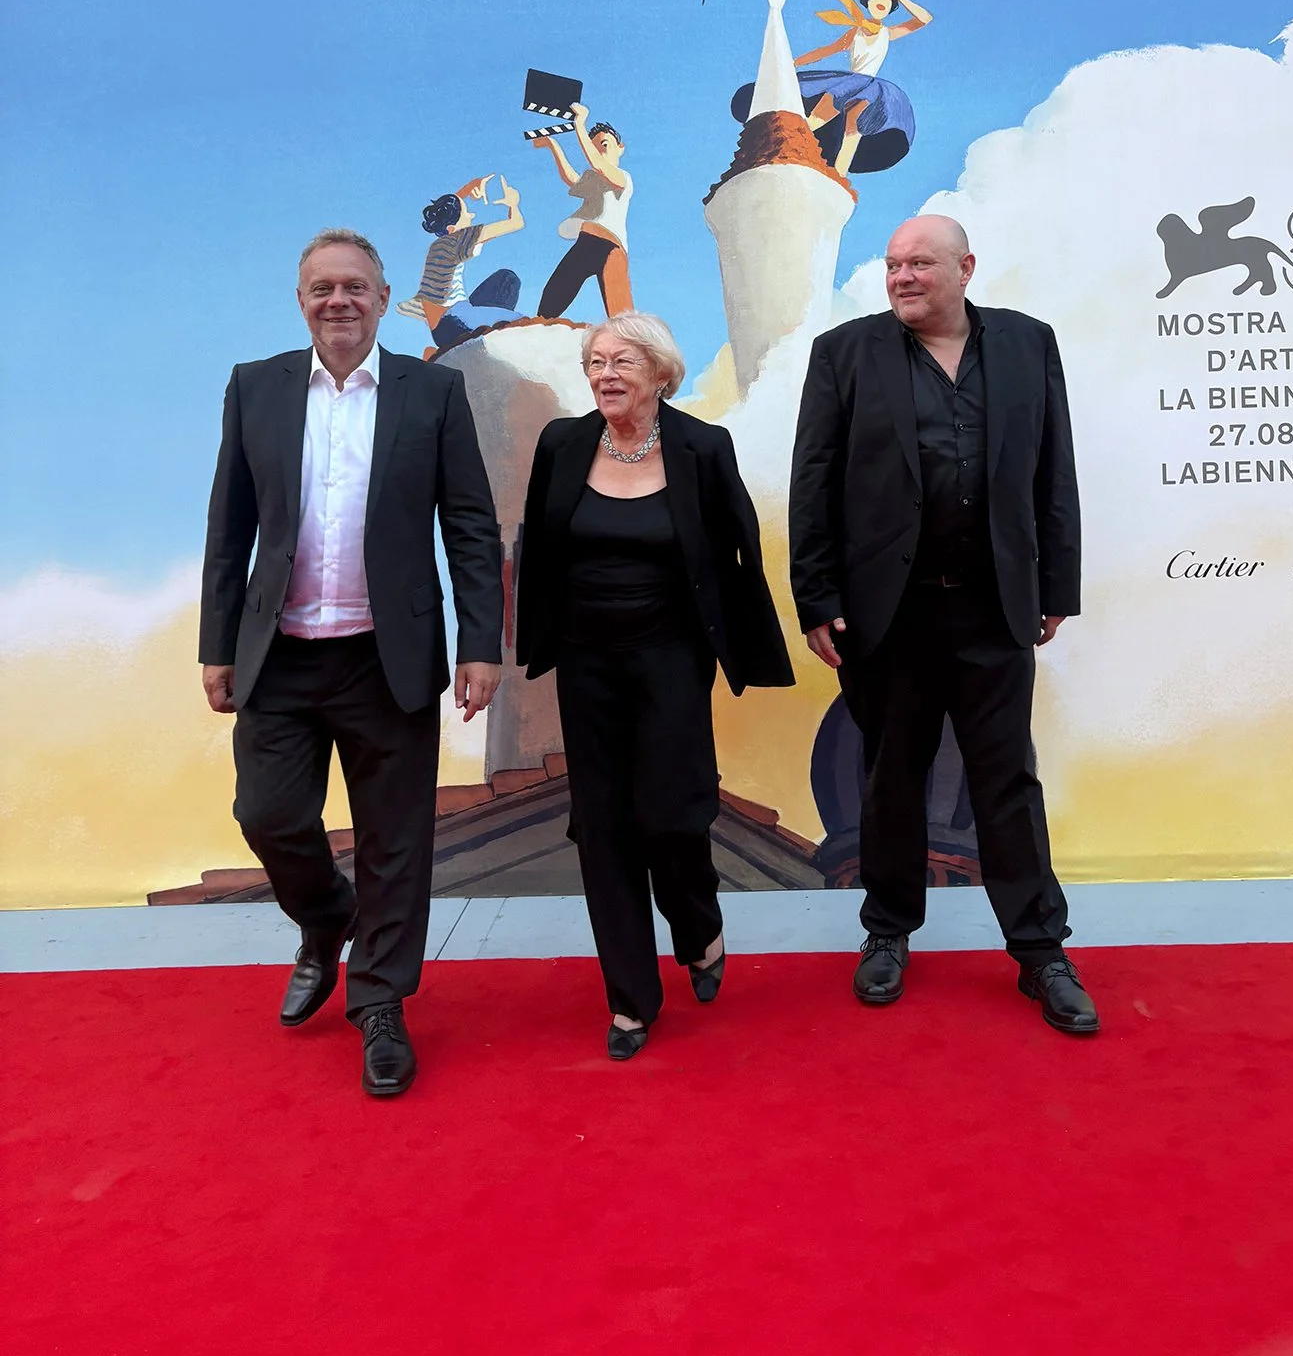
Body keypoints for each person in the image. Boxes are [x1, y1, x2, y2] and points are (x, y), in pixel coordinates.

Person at [199, 230, 504, 1097]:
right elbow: (229, 526)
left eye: (355, 286)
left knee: (394, 842)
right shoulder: (255, 387)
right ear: (301, 300)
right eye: (322, 287)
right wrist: (217, 645)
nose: (339, 300)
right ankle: (327, 916)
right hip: (280, 656)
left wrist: (481, 643)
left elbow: (469, 524)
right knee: (267, 814)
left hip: (387, 656)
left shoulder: (432, 391)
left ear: (381, 296)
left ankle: (380, 1004)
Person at [789, 215, 1098, 1035]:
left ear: (965, 268)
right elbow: (813, 481)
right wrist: (816, 598)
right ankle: (887, 933)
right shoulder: (844, 354)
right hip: (888, 614)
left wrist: (1057, 584)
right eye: (893, 265)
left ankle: (1041, 951)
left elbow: (1054, 471)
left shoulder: (1028, 345)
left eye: (920, 263)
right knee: (891, 777)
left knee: (1007, 782)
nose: (902, 277)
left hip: (995, 607)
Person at [516, 312, 793, 1059]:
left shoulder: (703, 447)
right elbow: (539, 546)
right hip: (586, 663)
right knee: (602, 827)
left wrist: (749, 648)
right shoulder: (563, 444)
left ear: (661, 373)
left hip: (671, 658)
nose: (605, 374)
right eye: (596, 362)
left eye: (622, 362)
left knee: (674, 816)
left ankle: (698, 925)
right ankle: (631, 1001)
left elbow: (738, 550)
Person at [729, 0, 932, 178]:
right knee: (827, 107)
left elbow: (924, 19)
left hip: (871, 88)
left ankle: (839, 179)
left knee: (854, 127)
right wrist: (793, 62)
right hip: (850, 82)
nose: (883, 1)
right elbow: (827, 50)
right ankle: (789, 145)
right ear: (869, 0)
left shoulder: (888, 33)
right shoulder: (856, 31)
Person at [396, 173, 523, 355]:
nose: (472, 215)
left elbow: (449, 209)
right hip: (454, 323)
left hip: (446, 322)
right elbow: (516, 223)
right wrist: (513, 203)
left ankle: (489, 329)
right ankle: (489, 335)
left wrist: (470, 187)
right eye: (467, 214)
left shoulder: (441, 244)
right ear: (452, 228)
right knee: (522, 322)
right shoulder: (457, 240)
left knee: (506, 278)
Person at [533, 104, 634, 319]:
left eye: (604, 145)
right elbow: (571, 178)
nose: (598, 151)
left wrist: (580, 124)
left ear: (620, 147)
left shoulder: (622, 177)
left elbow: (598, 165)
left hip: (611, 244)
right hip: (586, 241)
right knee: (552, 298)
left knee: (621, 313)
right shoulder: (594, 179)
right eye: (594, 147)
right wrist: (552, 145)